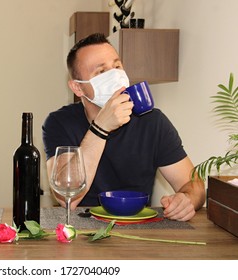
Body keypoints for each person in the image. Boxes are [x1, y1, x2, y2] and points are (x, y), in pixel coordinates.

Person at [42, 33, 205, 221]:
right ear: (78, 88)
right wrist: (100, 128)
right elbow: (66, 197)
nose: (114, 75)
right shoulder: (59, 122)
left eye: (117, 66)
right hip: (81, 228)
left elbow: (195, 186)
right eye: (101, 72)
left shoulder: (152, 121)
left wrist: (186, 199)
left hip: (138, 227)